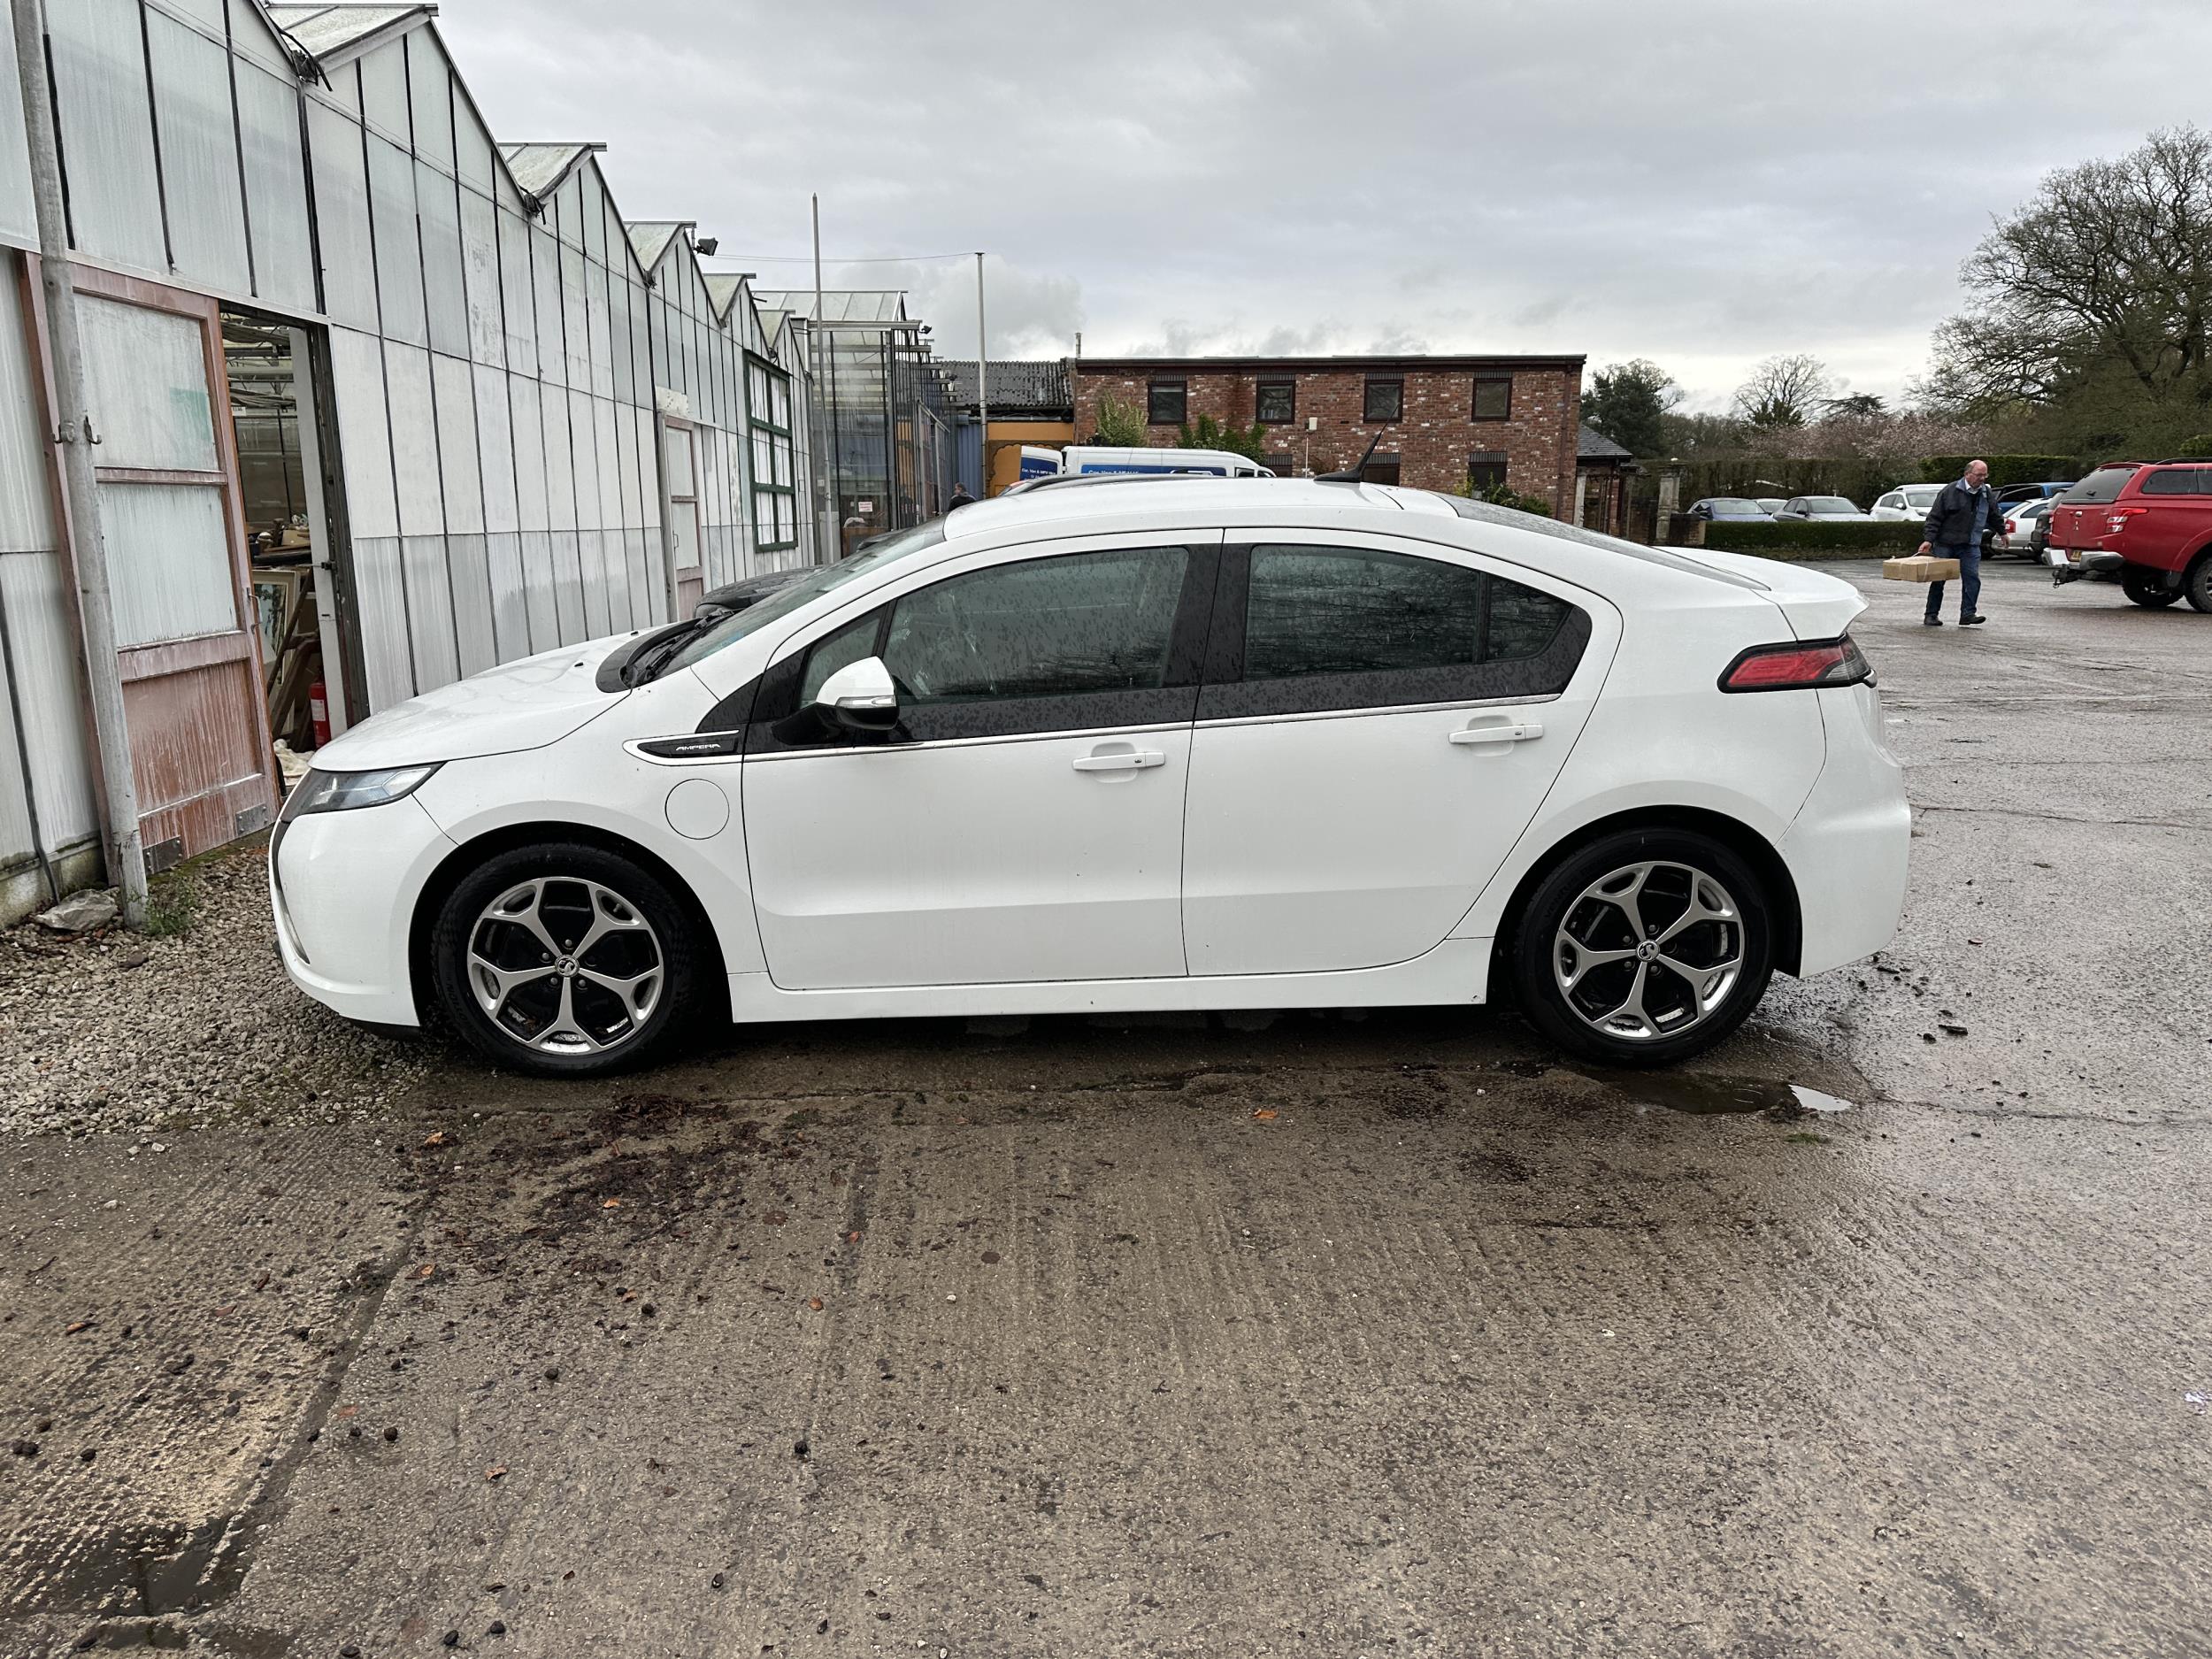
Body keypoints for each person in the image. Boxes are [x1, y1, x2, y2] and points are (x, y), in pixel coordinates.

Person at [1917, 459, 2000, 626]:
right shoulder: (1950, 491)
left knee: (1972, 579)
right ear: (1967, 474)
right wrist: (1929, 540)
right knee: (1939, 579)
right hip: (1946, 543)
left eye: (1985, 475)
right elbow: (1935, 517)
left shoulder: (1985, 493)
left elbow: (1993, 514)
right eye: (1979, 475)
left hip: (1970, 544)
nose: (1982, 478)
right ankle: (1931, 614)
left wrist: (2003, 532)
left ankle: (1968, 614)